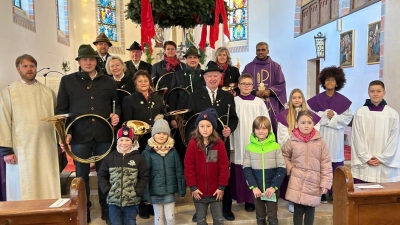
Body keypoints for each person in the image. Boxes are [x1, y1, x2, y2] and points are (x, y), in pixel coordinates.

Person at [56, 44, 120, 223]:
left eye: (91, 59)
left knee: (105, 175)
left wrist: (117, 116)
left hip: (104, 135)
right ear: (79, 61)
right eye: (84, 59)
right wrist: (66, 132)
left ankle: (108, 213)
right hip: (79, 136)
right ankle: (85, 213)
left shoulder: (108, 81)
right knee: (81, 177)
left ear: (96, 61)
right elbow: (61, 109)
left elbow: (117, 104)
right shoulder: (67, 81)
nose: (88, 62)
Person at [0, 54, 60, 201]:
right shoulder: (9, 92)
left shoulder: (48, 92)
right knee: (23, 186)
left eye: (32, 66)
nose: (29, 69)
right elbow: (3, 120)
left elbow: (57, 120)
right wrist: (6, 150)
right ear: (18, 69)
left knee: (47, 181)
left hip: (46, 146)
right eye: (25, 66)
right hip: (21, 149)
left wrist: (59, 141)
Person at [188, 61, 238, 221]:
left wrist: (229, 128)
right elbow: (189, 121)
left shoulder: (227, 96)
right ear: (204, 77)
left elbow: (234, 118)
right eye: (210, 76)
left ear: (220, 77)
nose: (213, 78)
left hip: (219, 144)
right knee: (202, 172)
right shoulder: (195, 96)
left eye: (216, 75)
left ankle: (226, 209)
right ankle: (199, 210)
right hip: (201, 144)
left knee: (221, 171)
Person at [307, 66, 352, 202]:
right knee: (320, 164)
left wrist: (335, 117)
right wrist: (326, 115)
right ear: (323, 82)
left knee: (335, 164)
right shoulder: (316, 100)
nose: (330, 83)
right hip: (322, 134)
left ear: (338, 82)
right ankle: (321, 191)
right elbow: (311, 116)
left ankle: (334, 191)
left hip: (336, 136)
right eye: (327, 80)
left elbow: (347, 118)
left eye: (333, 80)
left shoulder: (343, 101)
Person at [282, 110, 332, 225]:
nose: (306, 125)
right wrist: (291, 168)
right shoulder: (292, 141)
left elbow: (326, 163)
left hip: (313, 180)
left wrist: (325, 183)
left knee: (310, 209)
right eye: (303, 122)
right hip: (297, 178)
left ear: (313, 123)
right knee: (298, 209)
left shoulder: (320, 142)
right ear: (296, 124)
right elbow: (284, 156)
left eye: (309, 122)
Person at [276, 88, 321, 211]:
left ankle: (306, 199)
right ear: (290, 100)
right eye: (294, 97)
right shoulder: (284, 115)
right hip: (292, 151)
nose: (297, 100)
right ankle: (293, 201)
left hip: (307, 150)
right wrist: (296, 141)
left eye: (299, 97)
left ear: (303, 99)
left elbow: (315, 130)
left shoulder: (310, 115)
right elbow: (282, 136)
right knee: (294, 177)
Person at [230, 74, 270, 212]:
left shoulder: (259, 102)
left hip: (256, 140)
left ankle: (250, 200)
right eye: (243, 83)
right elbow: (229, 123)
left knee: (254, 168)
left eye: (249, 84)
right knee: (240, 166)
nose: (246, 86)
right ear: (239, 85)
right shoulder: (233, 101)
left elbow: (266, 122)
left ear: (253, 86)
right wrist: (230, 144)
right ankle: (239, 196)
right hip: (238, 138)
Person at [184, 108, 230, 225]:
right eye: (202, 126)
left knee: (219, 219)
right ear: (197, 127)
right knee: (200, 220)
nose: (205, 129)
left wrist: (221, 187)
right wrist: (193, 187)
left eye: (208, 126)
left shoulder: (218, 143)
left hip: (216, 192)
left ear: (213, 127)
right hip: (198, 192)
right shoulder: (193, 143)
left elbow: (224, 166)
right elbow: (189, 166)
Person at [98, 127, 149, 225]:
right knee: (115, 222)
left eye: (127, 140)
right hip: (113, 201)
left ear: (132, 141)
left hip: (131, 200)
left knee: (130, 221)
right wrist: (107, 190)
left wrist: (137, 191)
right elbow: (101, 175)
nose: (124, 143)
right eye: (121, 140)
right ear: (117, 140)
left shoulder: (139, 158)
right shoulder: (110, 158)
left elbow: (144, 177)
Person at [351, 80, 400, 183]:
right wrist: (366, 157)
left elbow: (394, 139)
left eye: (378, 91)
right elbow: (356, 137)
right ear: (368, 92)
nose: (375, 94)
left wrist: (382, 158)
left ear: (384, 92)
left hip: (384, 163)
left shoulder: (392, 114)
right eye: (372, 91)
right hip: (364, 163)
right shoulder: (360, 113)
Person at [141, 114, 186, 225]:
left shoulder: (173, 151)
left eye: (164, 133)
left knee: (170, 218)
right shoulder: (147, 153)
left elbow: (179, 171)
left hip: (169, 192)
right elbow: (144, 175)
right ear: (153, 134)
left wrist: (181, 190)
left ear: (168, 135)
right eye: (158, 133)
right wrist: (145, 195)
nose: (161, 136)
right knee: (159, 217)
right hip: (154, 192)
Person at [243, 116, 286, 225]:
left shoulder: (276, 146)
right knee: (260, 216)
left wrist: (273, 187)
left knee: (272, 217)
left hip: (271, 189)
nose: (261, 131)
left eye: (264, 128)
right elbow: (247, 169)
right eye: (258, 128)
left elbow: (281, 168)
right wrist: (254, 187)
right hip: (257, 190)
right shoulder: (249, 148)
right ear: (254, 130)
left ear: (269, 129)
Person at [242, 42, 287, 136]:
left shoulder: (275, 67)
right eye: (258, 50)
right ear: (255, 51)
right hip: (253, 102)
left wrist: (269, 91)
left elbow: (281, 84)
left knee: (272, 126)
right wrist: (255, 91)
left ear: (268, 51)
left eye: (263, 50)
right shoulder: (249, 67)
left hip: (271, 103)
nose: (260, 52)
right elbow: (243, 82)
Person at [121, 70, 164, 152]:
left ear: (150, 83)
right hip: (139, 141)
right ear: (135, 83)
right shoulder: (128, 100)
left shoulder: (158, 98)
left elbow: (163, 115)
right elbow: (127, 122)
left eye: (146, 81)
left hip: (157, 139)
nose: (143, 83)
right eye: (140, 81)